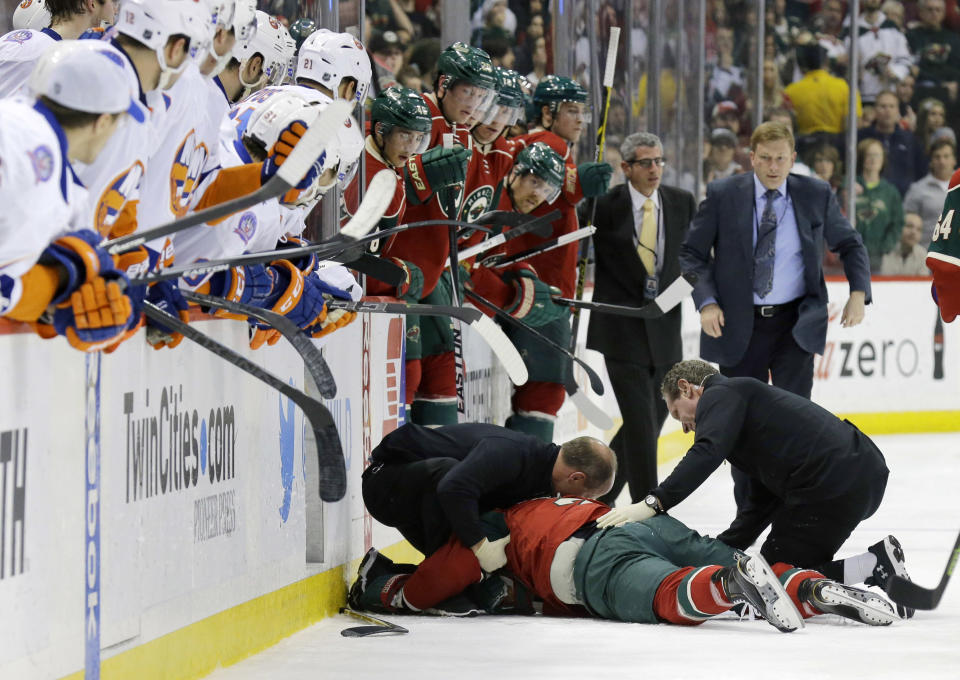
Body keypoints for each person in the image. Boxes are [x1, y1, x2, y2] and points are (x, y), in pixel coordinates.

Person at [602, 360, 910, 603]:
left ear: (688, 388)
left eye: (677, 413)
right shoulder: (742, 411)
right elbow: (761, 501)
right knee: (778, 572)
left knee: (774, 579)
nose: (684, 427)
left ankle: (874, 565)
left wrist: (654, 502)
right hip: (856, 475)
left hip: (831, 478)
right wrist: (721, 548)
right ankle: (875, 564)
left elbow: (706, 453)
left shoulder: (722, 394)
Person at [348, 495, 902, 628]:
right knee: (740, 561)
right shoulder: (543, 495)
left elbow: (435, 583)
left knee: (668, 594)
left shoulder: (488, 523)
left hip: (593, 558)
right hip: (634, 520)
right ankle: (819, 587)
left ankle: (731, 587)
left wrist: (389, 592)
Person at [681, 121, 870, 402]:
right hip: (737, 324)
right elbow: (691, 255)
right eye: (766, 158)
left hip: (795, 325)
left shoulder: (815, 194)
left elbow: (850, 244)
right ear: (752, 157)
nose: (773, 167)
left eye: (780, 158)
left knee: (794, 417)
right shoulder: (724, 194)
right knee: (742, 416)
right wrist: (707, 302)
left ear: (792, 159)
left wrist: (858, 292)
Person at [0, 40, 142, 351]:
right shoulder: (39, 172)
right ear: (103, 121)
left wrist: (65, 277)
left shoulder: (22, 126)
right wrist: (62, 281)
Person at [585, 132, 695, 506]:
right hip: (620, 332)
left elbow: (695, 263)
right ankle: (649, 509)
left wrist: (672, 299)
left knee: (647, 422)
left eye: (659, 161)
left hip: (665, 332)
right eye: (646, 163)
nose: (655, 169)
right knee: (639, 421)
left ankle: (601, 498)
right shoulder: (602, 205)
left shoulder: (682, 203)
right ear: (626, 167)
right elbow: (568, 230)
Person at [360, 422, 616, 567]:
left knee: (467, 565)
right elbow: (453, 488)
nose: (579, 503)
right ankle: (438, 570)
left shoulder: (541, 472)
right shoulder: (512, 453)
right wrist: (481, 547)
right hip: (385, 482)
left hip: (420, 495)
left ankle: (409, 574)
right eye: (586, 496)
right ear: (576, 478)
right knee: (453, 478)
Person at [0, 0, 118, 98]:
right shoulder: (30, 50)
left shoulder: (26, 44)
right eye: (113, 2)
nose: (115, 10)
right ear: (91, 3)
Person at [858, 90, 927, 196]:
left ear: (897, 111)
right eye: (883, 106)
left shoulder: (910, 139)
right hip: (868, 196)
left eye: (891, 106)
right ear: (875, 110)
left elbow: (921, 171)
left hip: (903, 198)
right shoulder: (860, 137)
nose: (887, 110)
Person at [851, 138, 904, 272]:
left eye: (877, 155)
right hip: (850, 254)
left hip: (878, 258)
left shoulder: (890, 192)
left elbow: (898, 223)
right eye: (869, 155)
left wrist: (885, 247)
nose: (873, 159)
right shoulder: (849, 185)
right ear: (861, 158)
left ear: (883, 159)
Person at [904, 137, 957, 247]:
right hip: (928, 255)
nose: (942, 161)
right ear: (931, 162)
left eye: (946, 156)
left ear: (954, 160)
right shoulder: (917, 189)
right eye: (937, 157)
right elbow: (905, 224)